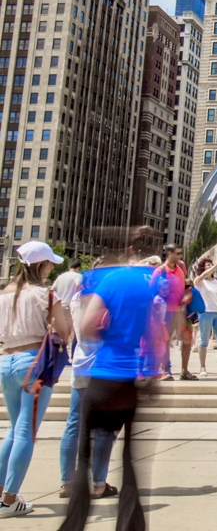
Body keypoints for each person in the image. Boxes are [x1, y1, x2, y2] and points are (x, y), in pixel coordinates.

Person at [60, 225, 166, 531]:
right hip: (133, 379)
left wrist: (107, 327)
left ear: (127, 251)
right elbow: (161, 331)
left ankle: (74, 523)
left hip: (104, 375)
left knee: (84, 456)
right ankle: (130, 526)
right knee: (131, 461)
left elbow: (90, 328)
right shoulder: (155, 282)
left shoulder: (112, 280)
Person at [0, 240, 66, 517]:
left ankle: (4, 493)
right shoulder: (45, 295)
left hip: (6, 361)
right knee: (26, 431)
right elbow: (65, 331)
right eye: (50, 263)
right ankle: (9, 499)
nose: (51, 267)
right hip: (33, 365)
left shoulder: (4, 293)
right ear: (41, 266)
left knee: (14, 430)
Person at [53, 259, 114, 504]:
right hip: (105, 369)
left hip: (81, 365)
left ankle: (67, 481)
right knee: (104, 428)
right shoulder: (106, 301)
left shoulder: (77, 299)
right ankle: (98, 484)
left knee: (74, 424)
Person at [193, 256, 217, 377]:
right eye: (208, 265)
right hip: (206, 313)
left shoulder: (216, 280)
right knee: (204, 341)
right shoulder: (200, 281)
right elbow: (201, 278)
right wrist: (215, 266)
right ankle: (202, 367)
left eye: (211, 264)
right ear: (203, 268)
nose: (210, 266)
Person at [159, 245, 191, 380]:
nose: (180, 256)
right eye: (177, 254)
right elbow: (152, 291)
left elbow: (186, 287)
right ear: (169, 254)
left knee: (187, 340)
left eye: (180, 254)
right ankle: (165, 370)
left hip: (181, 311)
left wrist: (187, 295)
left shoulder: (181, 269)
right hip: (166, 312)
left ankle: (184, 371)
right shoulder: (160, 271)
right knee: (165, 341)